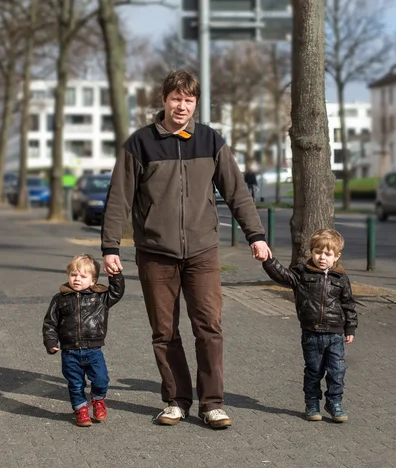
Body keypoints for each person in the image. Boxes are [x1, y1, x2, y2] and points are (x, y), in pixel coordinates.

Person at [101, 70, 271, 429]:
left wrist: (255, 234)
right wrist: (110, 245)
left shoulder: (210, 141)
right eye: (176, 99)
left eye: (188, 100)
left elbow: (237, 192)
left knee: (208, 326)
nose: (182, 106)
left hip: (202, 252)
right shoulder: (140, 144)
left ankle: (212, 403)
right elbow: (119, 197)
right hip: (154, 252)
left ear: (196, 103)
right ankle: (176, 401)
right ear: (164, 100)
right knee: (164, 331)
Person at [261, 229, 357, 423]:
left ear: (336, 256)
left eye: (328, 254)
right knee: (314, 371)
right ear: (311, 252)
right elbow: (282, 276)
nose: (322, 257)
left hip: (335, 334)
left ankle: (334, 403)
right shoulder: (302, 274)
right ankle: (312, 403)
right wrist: (268, 261)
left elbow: (348, 304)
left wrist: (350, 328)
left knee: (337, 370)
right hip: (312, 333)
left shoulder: (341, 278)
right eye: (318, 252)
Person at [42, 254, 125, 427]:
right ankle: (80, 409)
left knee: (101, 379)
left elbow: (117, 292)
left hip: (93, 350)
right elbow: (50, 323)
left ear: (93, 280)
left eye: (82, 276)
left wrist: (115, 275)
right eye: (73, 275)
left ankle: (98, 400)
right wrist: (51, 342)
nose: (77, 279)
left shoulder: (100, 298)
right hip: (70, 351)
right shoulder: (60, 299)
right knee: (75, 383)